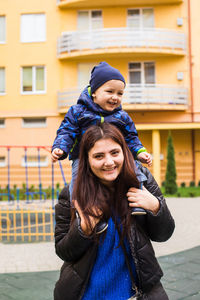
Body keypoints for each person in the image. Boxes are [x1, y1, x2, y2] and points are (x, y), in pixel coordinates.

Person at [54, 122, 175, 300]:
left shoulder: (141, 181)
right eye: (98, 156)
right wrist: (83, 230)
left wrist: (156, 207)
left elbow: (164, 234)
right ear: (86, 159)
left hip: (138, 293)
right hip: (87, 295)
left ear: (124, 152)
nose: (109, 162)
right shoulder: (72, 194)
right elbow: (63, 251)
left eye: (114, 153)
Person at [51, 62, 152, 214]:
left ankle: (137, 201)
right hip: (83, 156)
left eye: (120, 93)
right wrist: (60, 148)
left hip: (116, 156)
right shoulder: (78, 112)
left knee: (135, 170)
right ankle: (79, 211)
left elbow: (131, 136)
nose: (115, 97)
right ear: (94, 92)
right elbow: (67, 130)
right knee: (78, 180)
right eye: (110, 91)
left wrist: (139, 151)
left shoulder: (122, 116)